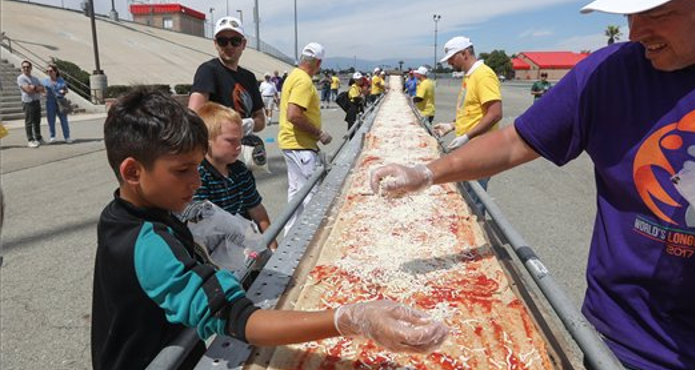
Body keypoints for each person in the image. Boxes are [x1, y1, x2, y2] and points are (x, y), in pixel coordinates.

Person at [371, 0, 695, 369]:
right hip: (624, 346)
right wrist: (429, 171)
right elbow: (517, 141)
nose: (637, 31)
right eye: (628, 15)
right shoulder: (611, 72)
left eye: (657, 12)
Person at [92, 86, 448, 370]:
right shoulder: (151, 243)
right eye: (183, 170)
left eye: (197, 168)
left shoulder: (123, 214)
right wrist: (350, 318)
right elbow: (240, 319)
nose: (197, 182)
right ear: (133, 172)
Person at [193, 102, 279, 251]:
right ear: (207, 142)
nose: (238, 146)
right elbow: (202, 227)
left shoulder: (240, 170)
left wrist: (273, 246)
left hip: (241, 244)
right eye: (231, 141)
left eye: (240, 139)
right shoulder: (198, 176)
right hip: (213, 250)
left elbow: (257, 209)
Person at [432, 36, 503, 214]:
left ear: (464, 53)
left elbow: (495, 114)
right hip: (471, 147)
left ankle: (478, 234)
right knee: (466, 194)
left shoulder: (483, 75)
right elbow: (471, 110)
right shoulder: (469, 76)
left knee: (474, 198)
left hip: (481, 148)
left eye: (451, 58)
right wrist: (453, 125)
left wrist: (467, 136)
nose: (449, 63)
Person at [278, 42, 334, 234]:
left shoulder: (293, 76)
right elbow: (293, 114)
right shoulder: (304, 81)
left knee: (296, 192)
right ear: (318, 63)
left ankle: (291, 233)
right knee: (312, 192)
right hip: (301, 145)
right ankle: (312, 236)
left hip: (291, 143)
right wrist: (319, 133)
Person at [188, 16, 265, 134]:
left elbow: (260, 118)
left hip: (244, 146)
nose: (229, 46)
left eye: (235, 41)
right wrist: (227, 127)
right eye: (222, 41)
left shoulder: (249, 77)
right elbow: (194, 116)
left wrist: (251, 124)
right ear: (215, 43)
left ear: (243, 44)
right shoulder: (208, 71)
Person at [17, 60, 45, 148]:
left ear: (31, 68)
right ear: (22, 68)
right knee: (29, 121)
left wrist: (34, 87)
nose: (26, 68)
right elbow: (28, 90)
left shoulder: (35, 79)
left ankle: (38, 138)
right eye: (24, 67)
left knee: (37, 121)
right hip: (28, 102)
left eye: (28, 67)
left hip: (36, 101)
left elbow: (42, 89)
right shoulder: (21, 78)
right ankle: (30, 140)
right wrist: (35, 88)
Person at [42, 64, 72, 143]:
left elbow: (66, 90)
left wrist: (63, 91)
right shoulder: (45, 81)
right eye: (47, 71)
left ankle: (67, 136)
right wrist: (44, 94)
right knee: (51, 120)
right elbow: (42, 90)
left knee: (63, 119)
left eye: (51, 71)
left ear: (55, 72)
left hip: (60, 101)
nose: (49, 72)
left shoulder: (61, 80)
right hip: (50, 101)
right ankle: (52, 136)